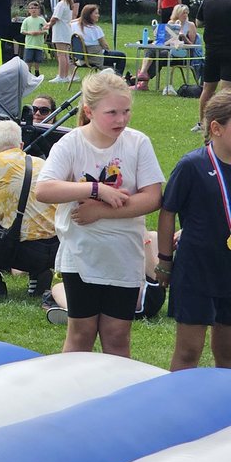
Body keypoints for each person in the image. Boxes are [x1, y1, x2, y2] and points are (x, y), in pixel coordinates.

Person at [35, 71, 164, 358]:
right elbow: (44, 190)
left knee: (117, 336)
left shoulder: (137, 143)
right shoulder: (71, 143)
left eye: (126, 111)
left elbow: (152, 197)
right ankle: (74, 396)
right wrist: (95, 190)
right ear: (89, 111)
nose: (121, 119)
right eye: (112, 113)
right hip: (82, 254)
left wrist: (101, 211)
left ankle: (117, 399)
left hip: (124, 252)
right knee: (81, 334)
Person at [156, 90, 231, 370]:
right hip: (196, 269)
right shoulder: (192, 165)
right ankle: (175, 410)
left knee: (227, 353)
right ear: (216, 128)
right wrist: (164, 260)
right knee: (189, 352)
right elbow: (168, 212)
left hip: (229, 267)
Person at [0, 119, 58, 298]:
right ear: (21, 145)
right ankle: (38, 274)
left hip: (20, 251)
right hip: (53, 249)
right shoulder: (40, 163)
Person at [195, 0, 231, 133]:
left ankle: (202, 123)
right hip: (229, 50)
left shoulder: (208, 0)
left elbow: (199, 22)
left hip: (211, 50)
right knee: (226, 91)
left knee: (207, 88)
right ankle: (223, 124)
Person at [74, 4, 126, 75]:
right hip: (96, 58)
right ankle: (117, 77)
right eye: (96, 13)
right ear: (89, 15)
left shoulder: (74, 25)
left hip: (81, 58)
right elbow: (105, 46)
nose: (98, 15)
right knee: (121, 56)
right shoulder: (95, 29)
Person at [47, 0, 75, 83]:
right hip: (66, 30)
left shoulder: (61, 4)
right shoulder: (68, 3)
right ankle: (65, 75)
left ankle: (61, 76)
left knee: (61, 54)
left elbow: (55, 18)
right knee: (65, 54)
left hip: (60, 31)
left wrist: (48, 25)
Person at [20, 1, 48, 76]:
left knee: (37, 60)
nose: (33, 10)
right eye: (31, 8)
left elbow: (46, 30)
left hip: (39, 44)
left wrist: (39, 32)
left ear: (39, 10)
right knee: (28, 59)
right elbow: (22, 31)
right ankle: (28, 71)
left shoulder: (42, 20)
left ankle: (37, 71)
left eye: (36, 8)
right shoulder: (26, 20)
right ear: (29, 10)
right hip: (29, 44)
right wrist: (30, 33)